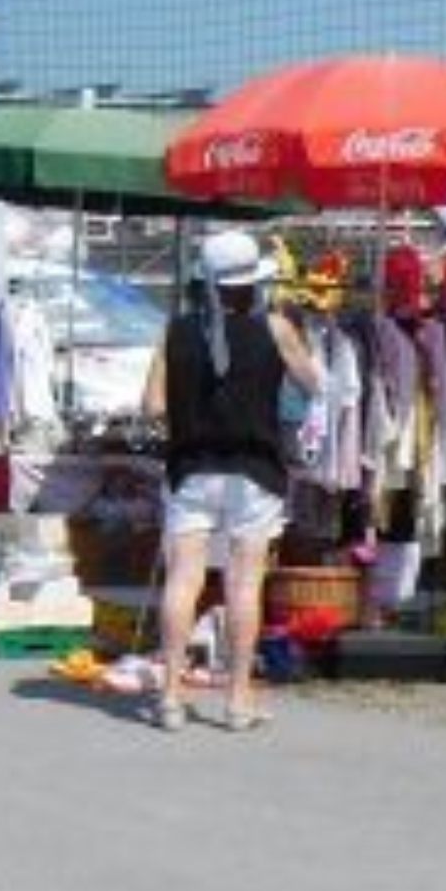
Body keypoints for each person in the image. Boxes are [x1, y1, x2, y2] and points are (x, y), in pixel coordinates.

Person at [142, 228, 321, 733]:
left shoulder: (175, 331)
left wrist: (191, 403)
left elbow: (152, 405)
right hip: (254, 469)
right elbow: (314, 383)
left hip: (191, 467)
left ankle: (172, 695)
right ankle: (238, 699)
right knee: (245, 584)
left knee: (184, 579)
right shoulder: (276, 327)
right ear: (251, 283)